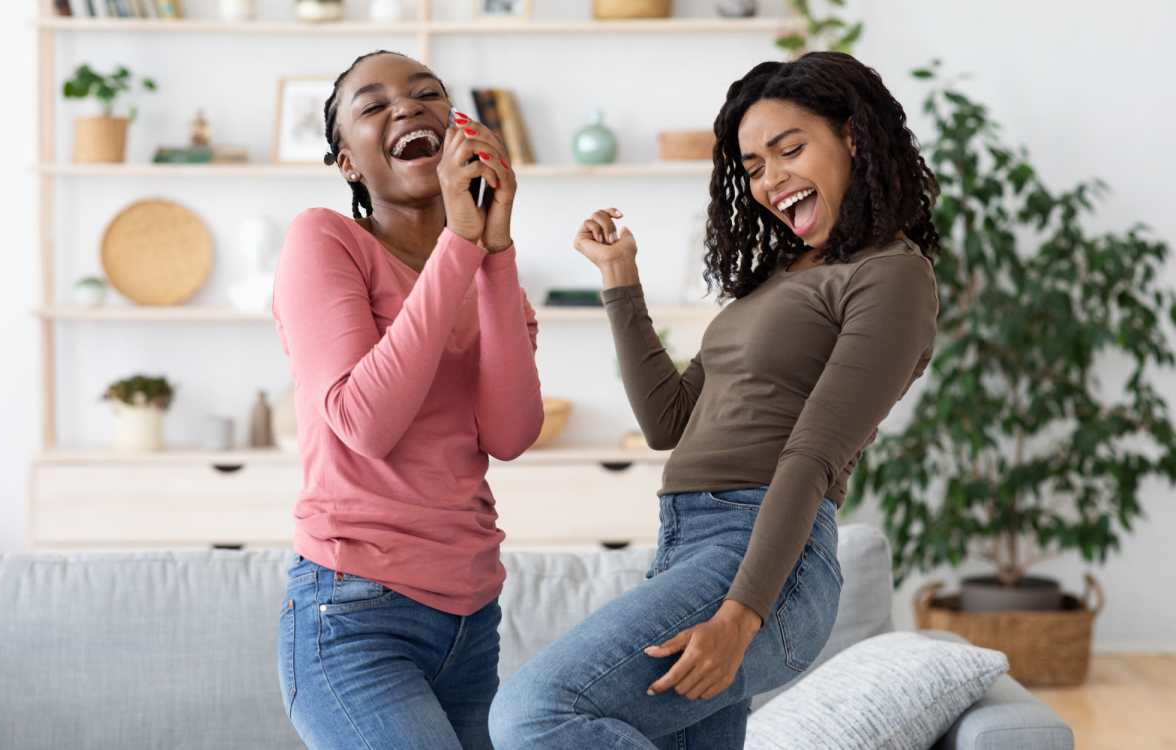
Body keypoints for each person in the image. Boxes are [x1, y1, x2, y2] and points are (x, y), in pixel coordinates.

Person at [489, 51, 941, 749]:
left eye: (790, 149)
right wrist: (619, 278)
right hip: (686, 543)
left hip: (762, 560)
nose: (770, 179)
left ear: (854, 137)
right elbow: (667, 421)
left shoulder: (891, 277)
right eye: (754, 166)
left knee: (533, 714)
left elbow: (811, 457)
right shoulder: (781, 278)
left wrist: (741, 615)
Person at [272, 50, 542, 750]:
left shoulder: (490, 277)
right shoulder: (325, 240)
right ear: (348, 165)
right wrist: (462, 244)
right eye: (372, 105)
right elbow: (364, 422)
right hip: (354, 616)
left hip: (473, 621)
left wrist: (496, 250)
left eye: (429, 95)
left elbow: (510, 434)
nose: (408, 107)